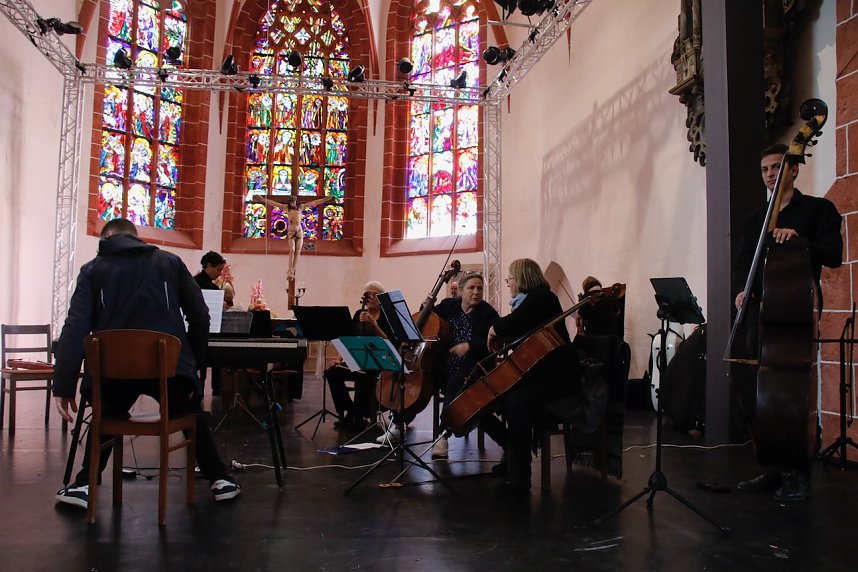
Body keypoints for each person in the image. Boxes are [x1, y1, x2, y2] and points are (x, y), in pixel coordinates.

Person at [53, 218, 241, 511]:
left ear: (108, 239)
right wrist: (193, 363)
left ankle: (83, 484)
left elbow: (75, 327)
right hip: (169, 368)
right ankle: (220, 480)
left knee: (107, 415)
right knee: (188, 411)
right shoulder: (170, 262)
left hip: (113, 373)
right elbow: (200, 316)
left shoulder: (92, 270)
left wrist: (64, 384)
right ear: (136, 237)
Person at [731, 143, 843, 502]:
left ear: (794, 169)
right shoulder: (755, 219)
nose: (769, 174)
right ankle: (775, 465)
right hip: (761, 311)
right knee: (763, 392)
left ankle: (799, 469)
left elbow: (835, 256)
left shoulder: (817, 210)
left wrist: (800, 240)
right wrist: (740, 292)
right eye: (764, 169)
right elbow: (742, 264)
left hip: (795, 310)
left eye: (777, 167)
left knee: (793, 393)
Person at [486, 258, 583, 498]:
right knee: (504, 397)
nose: (509, 284)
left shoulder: (543, 298)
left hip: (558, 376)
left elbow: (514, 322)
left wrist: (494, 329)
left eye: (510, 279)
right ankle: (514, 456)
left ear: (521, 279)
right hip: (539, 374)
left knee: (516, 402)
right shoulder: (527, 303)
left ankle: (520, 478)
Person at [430, 272, 504, 459]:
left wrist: (469, 346)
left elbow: (496, 344)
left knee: (457, 381)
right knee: (420, 376)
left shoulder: (488, 313)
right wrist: (426, 307)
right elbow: (430, 320)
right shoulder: (448, 305)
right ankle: (398, 423)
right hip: (444, 364)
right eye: (471, 288)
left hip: (474, 369)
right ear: (461, 290)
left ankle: (442, 434)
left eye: (480, 288)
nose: (476, 292)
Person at [326, 281, 395, 429]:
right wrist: (339, 359)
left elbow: (390, 342)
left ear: (380, 297)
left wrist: (374, 324)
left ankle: (359, 415)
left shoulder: (386, 316)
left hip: (377, 362)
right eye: (367, 293)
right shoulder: (359, 313)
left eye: (374, 294)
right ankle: (350, 411)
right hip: (357, 359)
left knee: (363, 374)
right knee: (332, 373)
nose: (370, 296)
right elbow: (348, 338)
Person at [261, 195, 331, 280]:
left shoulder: (300, 207)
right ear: (289, 203)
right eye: (291, 202)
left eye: (293, 202)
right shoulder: (287, 208)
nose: (292, 203)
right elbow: (274, 203)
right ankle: (289, 269)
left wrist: (325, 199)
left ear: (295, 202)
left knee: (298, 251)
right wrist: (263, 199)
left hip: (299, 232)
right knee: (292, 250)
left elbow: (314, 202)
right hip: (291, 233)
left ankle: (292, 271)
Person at [195, 251, 227, 395]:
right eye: (218, 269)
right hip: (197, 330)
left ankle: (213, 387)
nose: (220, 273)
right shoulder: (193, 284)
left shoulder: (211, 287)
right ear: (208, 266)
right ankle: (205, 388)